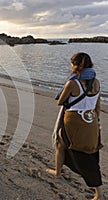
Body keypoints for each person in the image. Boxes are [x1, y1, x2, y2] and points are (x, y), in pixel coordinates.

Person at [46, 52, 104, 200]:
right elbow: (97, 106)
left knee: (78, 154)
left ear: (75, 65)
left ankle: (99, 194)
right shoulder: (96, 82)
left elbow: (60, 102)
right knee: (69, 146)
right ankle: (57, 173)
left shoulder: (72, 82)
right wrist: (95, 122)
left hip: (73, 121)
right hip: (90, 120)